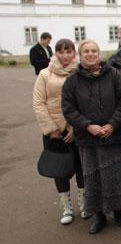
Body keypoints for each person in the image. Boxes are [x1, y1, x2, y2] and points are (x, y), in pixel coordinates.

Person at [61, 39, 121, 234]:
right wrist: (88, 126)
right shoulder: (72, 81)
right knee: (93, 179)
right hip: (88, 140)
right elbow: (68, 108)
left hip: (113, 136)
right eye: (86, 51)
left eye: (94, 50)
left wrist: (113, 124)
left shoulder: (115, 75)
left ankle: (119, 212)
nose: (91, 54)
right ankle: (98, 216)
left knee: (116, 176)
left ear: (99, 54)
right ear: (80, 55)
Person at [32, 38, 89, 225]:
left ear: (74, 53)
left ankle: (84, 203)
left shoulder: (81, 72)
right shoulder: (45, 74)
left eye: (69, 51)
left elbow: (85, 101)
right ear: (55, 53)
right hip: (55, 132)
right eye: (61, 52)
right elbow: (39, 103)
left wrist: (76, 127)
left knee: (82, 168)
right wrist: (52, 129)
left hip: (77, 129)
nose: (65, 56)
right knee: (60, 169)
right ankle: (66, 206)